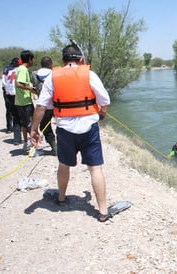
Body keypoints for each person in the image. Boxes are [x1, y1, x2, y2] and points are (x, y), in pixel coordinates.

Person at [30, 42, 111, 222]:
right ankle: (103, 211)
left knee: (64, 165)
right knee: (95, 168)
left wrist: (34, 129)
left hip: (65, 129)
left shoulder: (53, 77)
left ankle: (61, 199)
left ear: (63, 60)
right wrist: (102, 114)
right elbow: (105, 101)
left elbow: (41, 106)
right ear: (80, 59)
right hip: (89, 128)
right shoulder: (89, 75)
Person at [31, 56, 57, 155]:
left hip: (44, 106)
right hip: (57, 104)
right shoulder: (54, 74)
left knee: (45, 127)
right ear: (51, 64)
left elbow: (35, 87)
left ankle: (54, 147)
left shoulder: (34, 74)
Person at [15, 50, 36, 153]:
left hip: (22, 101)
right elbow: (19, 84)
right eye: (32, 59)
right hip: (24, 103)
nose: (33, 61)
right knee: (29, 125)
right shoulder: (23, 70)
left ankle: (26, 143)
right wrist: (30, 89)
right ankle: (32, 147)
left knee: (25, 124)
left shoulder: (21, 69)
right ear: (29, 59)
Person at [2, 57, 22, 144]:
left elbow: (4, 82)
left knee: (13, 113)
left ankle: (15, 135)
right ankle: (10, 128)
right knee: (20, 114)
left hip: (9, 93)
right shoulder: (18, 70)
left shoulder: (7, 70)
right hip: (15, 94)